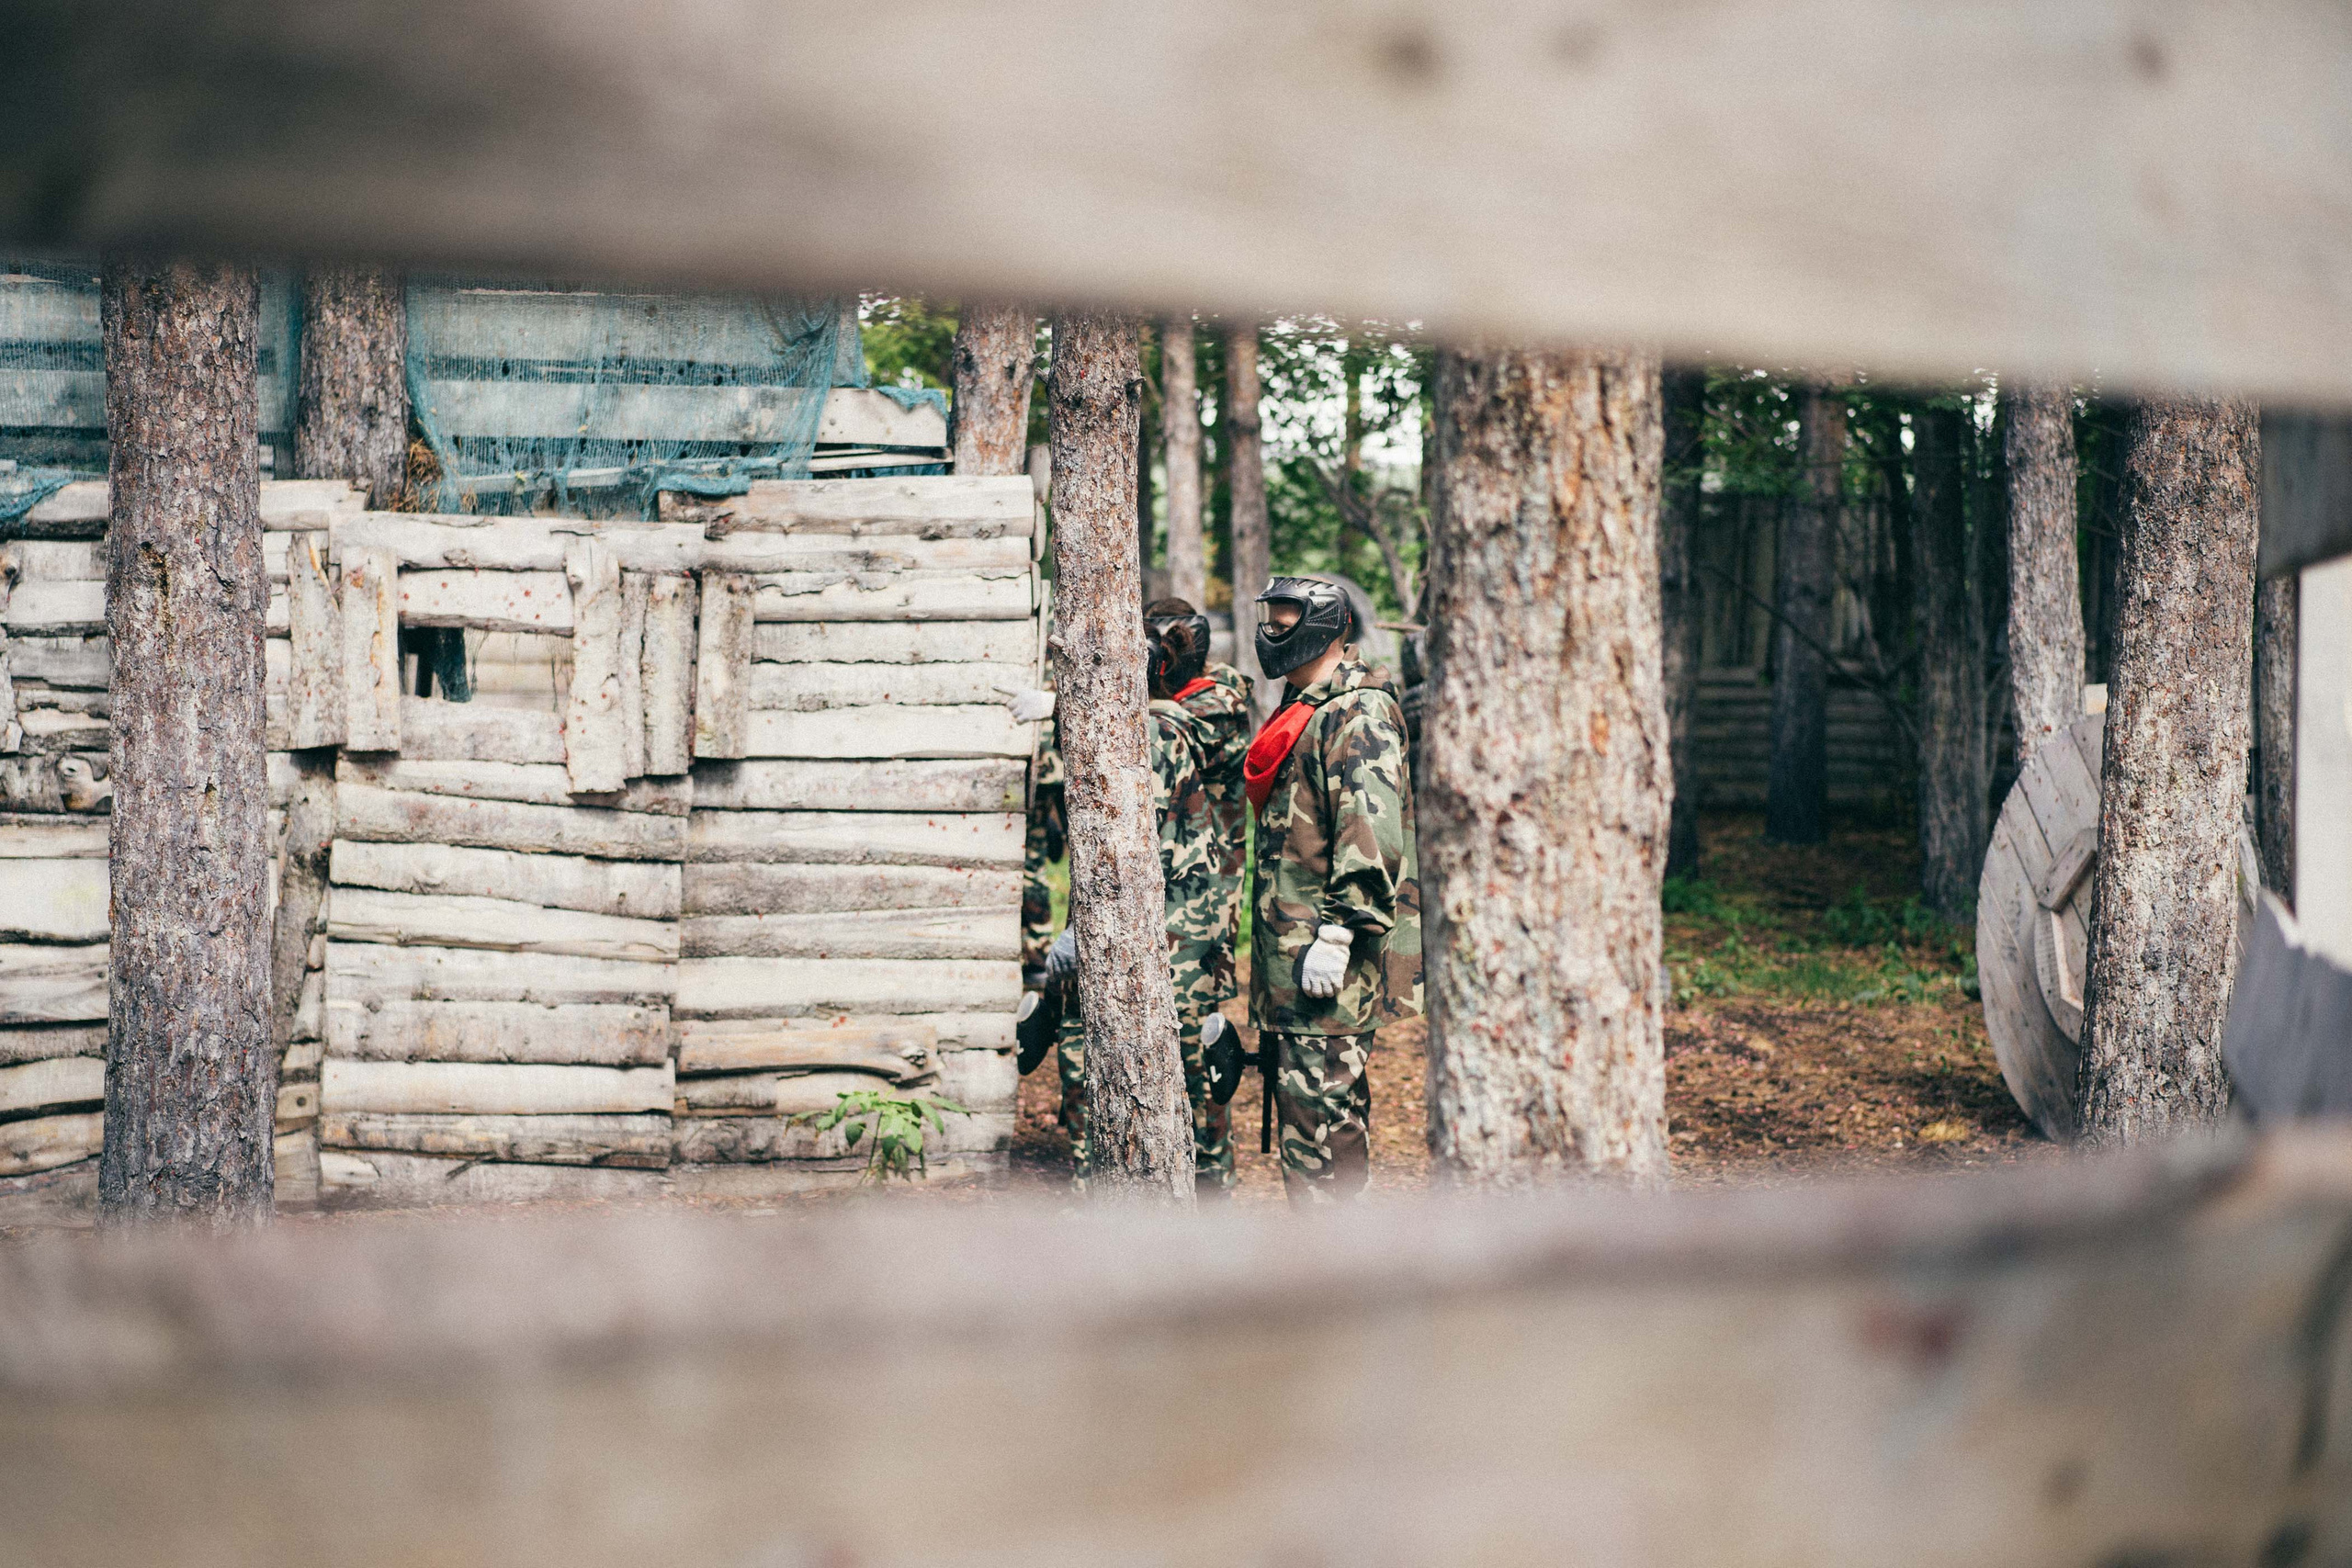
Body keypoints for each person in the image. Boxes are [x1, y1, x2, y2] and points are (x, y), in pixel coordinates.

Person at [1240, 575, 1421, 1201]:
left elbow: (1369, 829)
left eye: (1287, 619)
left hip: (1327, 959)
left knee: (1324, 1131)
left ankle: (1342, 1276)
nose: (1274, 631)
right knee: (1310, 1127)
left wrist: (1340, 931)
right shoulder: (1309, 705)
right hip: (1295, 960)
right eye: (1271, 617)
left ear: (1325, 624)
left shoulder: (1357, 710)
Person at [1039, 615, 1226, 1184]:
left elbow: (1127, 851)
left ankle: (1213, 1230)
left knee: (1188, 1088)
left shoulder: (1147, 736)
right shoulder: (1110, 732)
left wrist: (1078, 935)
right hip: (1129, 926)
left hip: (1176, 931)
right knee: (1088, 1067)